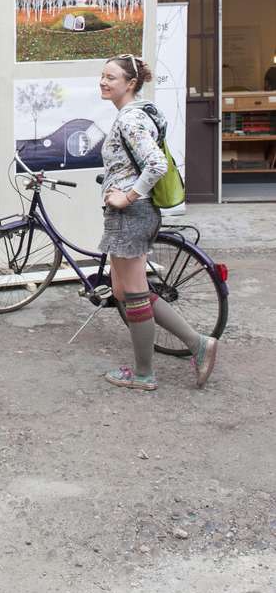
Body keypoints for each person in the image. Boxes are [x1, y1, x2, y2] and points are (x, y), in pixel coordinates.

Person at [99, 54, 218, 391]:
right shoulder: (139, 115)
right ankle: (198, 344)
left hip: (130, 216)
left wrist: (126, 196)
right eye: (102, 76)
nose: (104, 82)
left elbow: (155, 164)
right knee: (124, 290)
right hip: (132, 217)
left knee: (134, 293)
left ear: (130, 83)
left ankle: (144, 373)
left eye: (111, 77)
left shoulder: (130, 120)